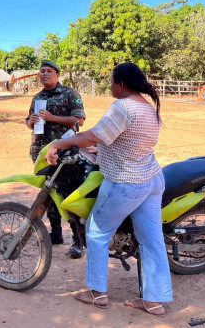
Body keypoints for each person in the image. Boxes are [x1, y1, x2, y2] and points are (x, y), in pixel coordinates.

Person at [45, 63, 172, 318]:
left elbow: (93, 135)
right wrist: (101, 150)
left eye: (112, 81)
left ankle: (96, 293)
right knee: (152, 240)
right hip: (152, 179)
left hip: (126, 182)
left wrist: (58, 143)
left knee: (97, 230)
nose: (110, 86)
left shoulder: (123, 107)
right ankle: (154, 302)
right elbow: (128, 141)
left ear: (121, 84)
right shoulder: (148, 107)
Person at [25, 59, 87, 258]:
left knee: (69, 195)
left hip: (65, 155)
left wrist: (52, 118)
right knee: (49, 194)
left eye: (48, 71)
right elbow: (29, 122)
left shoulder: (70, 94)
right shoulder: (37, 97)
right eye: (41, 71)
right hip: (41, 153)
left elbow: (79, 121)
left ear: (57, 74)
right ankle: (56, 233)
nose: (44, 74)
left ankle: (78, 241)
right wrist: (31, 121)